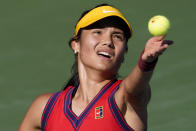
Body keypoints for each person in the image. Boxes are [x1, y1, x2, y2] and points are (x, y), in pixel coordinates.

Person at [18, 4, 173, 131]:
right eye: (97, 32)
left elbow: (135, 86)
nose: (108, 41)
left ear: (123, 54)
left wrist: (146, 62)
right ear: (76, 44)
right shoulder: (45, 108)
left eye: (117, 36)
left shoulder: (124, 98)